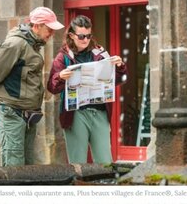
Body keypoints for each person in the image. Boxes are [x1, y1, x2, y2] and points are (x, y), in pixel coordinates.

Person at [0, 7, 64, 166]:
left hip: (28, 114)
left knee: (28, 166)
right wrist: (2, 99)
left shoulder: (32, 44)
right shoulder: (16, 43)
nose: (52, 34)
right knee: (14, 165)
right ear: (37, 25)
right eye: (49, 29)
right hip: (12, 111)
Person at [47, 15, 127, 164]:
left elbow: (118, 80)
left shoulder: (100, 53)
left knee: (105, 161)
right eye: (81, 36)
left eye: (88, 36)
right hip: (75, 114)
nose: (85, 39)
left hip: (100, 112)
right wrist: (60, 77)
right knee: (78, 162)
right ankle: (80, 187)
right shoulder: (62, 57)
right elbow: (51, 87)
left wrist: (120, 66)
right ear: (72, 35)